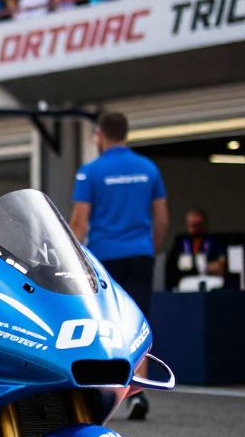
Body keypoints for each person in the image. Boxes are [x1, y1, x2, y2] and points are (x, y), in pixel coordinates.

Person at [69, 112, 167, 420]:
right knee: (139, 320)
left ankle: (100, 391)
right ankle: (138, 394)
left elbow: (79, 222)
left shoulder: (90, 172)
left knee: (102, 323)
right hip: (140, 254)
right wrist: (151, 248)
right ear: (126, 133)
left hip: (104, 258)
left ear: (99, 135)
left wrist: (69, 258)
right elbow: (162, 218)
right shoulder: (148, 168)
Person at [165, 208, 227, 289]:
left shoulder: (214, 242)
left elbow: (221, 264)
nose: (194, 228)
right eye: (190, 224)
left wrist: (204, 266)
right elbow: (172, 268)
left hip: (209, 281)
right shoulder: (180, 243)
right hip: (186, 282)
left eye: (197, 224)